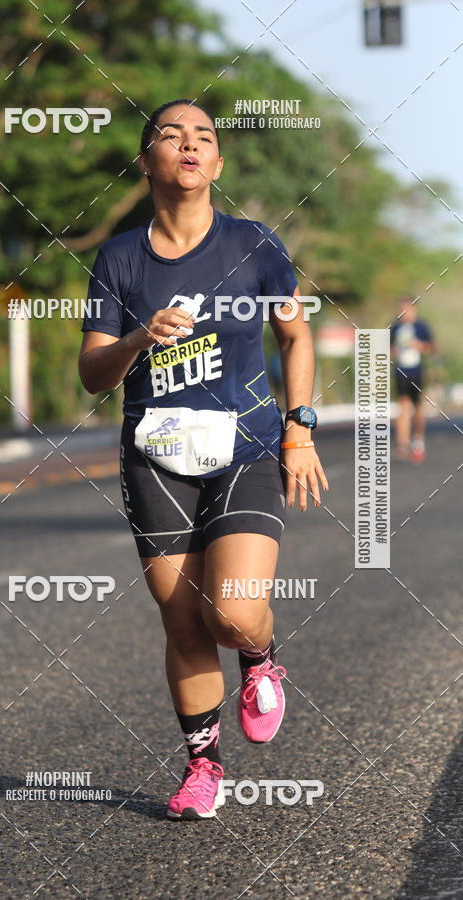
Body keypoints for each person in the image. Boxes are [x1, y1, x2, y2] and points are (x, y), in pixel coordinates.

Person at [78, 99, 328, 820]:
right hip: (154, 458)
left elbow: (296, 339)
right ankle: (202, 766)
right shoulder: (120, 258)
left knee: (233, 612)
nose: (188, 144)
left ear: (217, 164)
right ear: (146, 160)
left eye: (204, 137)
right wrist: (135, 341)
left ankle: (258, 656)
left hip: (245, 448)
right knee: (183, 621)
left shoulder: (255, 245)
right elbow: (94, 373)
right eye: (170, 135)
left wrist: (299, 428)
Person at [390, 297, 434, 463]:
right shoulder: (395, 328)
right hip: (400, 372)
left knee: (416, 407)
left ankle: (417, 440)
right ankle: (402, 444)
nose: (403, 313)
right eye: (401, 309)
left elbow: (431, 348)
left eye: (406, 309)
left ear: (413, 309)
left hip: (417, 372)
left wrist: (419, 346)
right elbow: (389, 350)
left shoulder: (421, 327)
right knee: (403, 406)